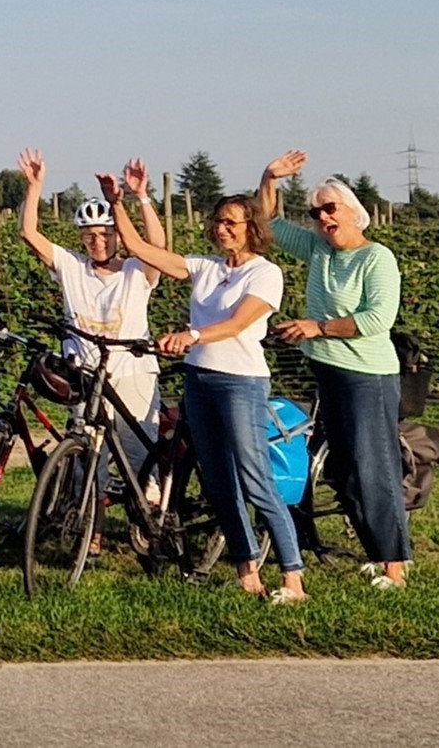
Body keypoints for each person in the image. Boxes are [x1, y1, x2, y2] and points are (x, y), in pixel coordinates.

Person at [121, 169, 305, 603]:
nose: (221, 229)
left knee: (255, 479)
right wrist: (126, 201)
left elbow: (240, 323)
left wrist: (192, 336)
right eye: (218, 222)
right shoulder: (207, 268)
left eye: (231, 223)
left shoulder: (265, 274)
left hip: (241, 383)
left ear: (251, 229)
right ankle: (247, 573)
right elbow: (139, 249)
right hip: (200, 381)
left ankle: (292, 577)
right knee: (219, 484)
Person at [259, 150, 408, 588]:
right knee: (342, 471)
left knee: (371, 468)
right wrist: (270, 178)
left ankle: (396, 567)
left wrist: (316, 327)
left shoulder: (377, 258)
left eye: (330, 209)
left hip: (368, 378)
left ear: (354, 214)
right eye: (315, 212)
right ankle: (376, 555)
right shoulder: (319, 249)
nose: (323, 218)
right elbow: (264, 222)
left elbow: (376, 319)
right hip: (327, 372)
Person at [14, 150, 161, 485]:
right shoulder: (71, 266)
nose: (97, 241)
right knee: (89, 455)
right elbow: (29, 234)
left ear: (117, 235)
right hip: (85, 375)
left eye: (105, 234)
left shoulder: (136, 269)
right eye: (89, 235)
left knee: (138, 453)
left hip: (132, 374)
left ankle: (147, 521)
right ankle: (89, 532)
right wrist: (35, 186)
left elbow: (158, 246)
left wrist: (141, 197)